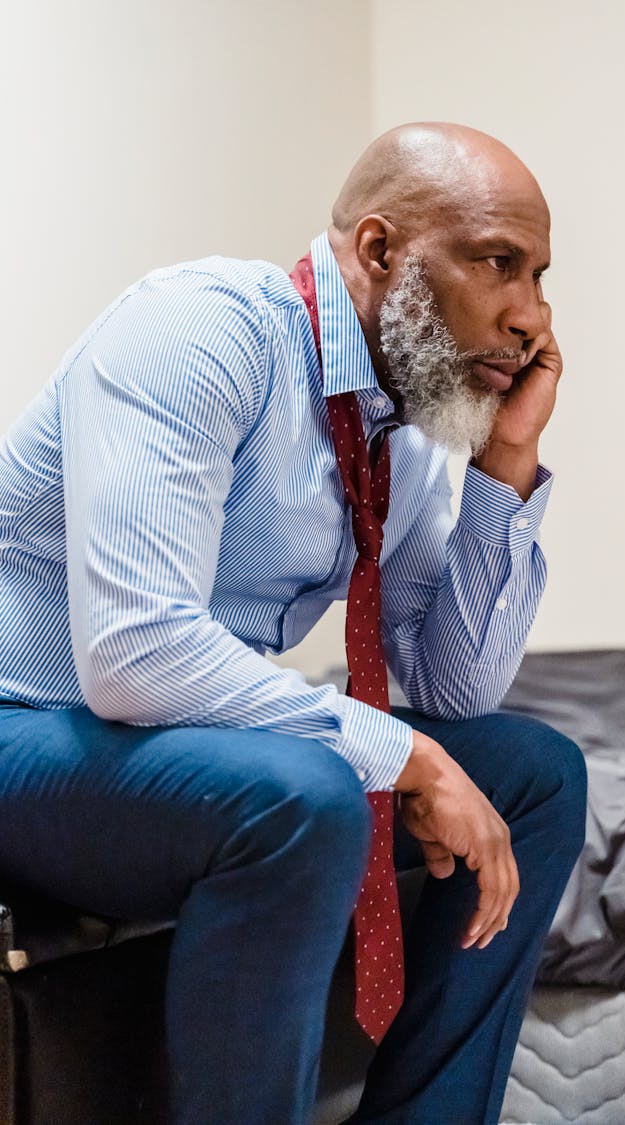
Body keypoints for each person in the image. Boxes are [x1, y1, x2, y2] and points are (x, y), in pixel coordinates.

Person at [0, 122, 586, 1124]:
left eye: (537, 277)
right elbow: (135, 654)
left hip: (167, 750)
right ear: (380, 250)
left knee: (534, 771)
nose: (530, 316)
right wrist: (408, 759)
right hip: (30, 730)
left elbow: (454, 691)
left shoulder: (384, 433)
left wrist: (506, 463)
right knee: (307, 790)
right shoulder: (199, 331)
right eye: (499, 264)